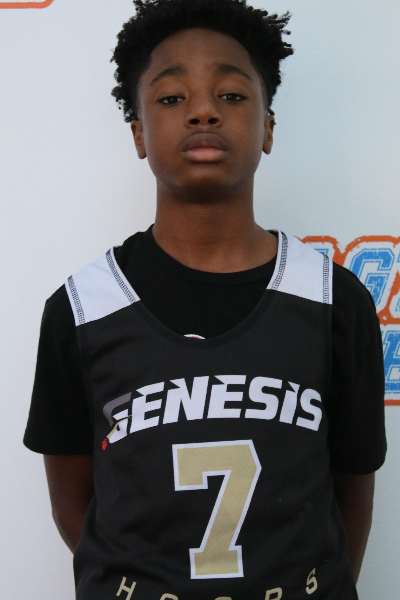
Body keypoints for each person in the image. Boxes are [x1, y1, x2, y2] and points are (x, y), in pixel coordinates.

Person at [23, 1, 386, 598]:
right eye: (171, 98)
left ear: (267, 127)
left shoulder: (334, 301)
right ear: (139, 134)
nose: (202, 112)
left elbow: (351, 494)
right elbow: (75, 507)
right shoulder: (82, 309)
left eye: (231, 95)